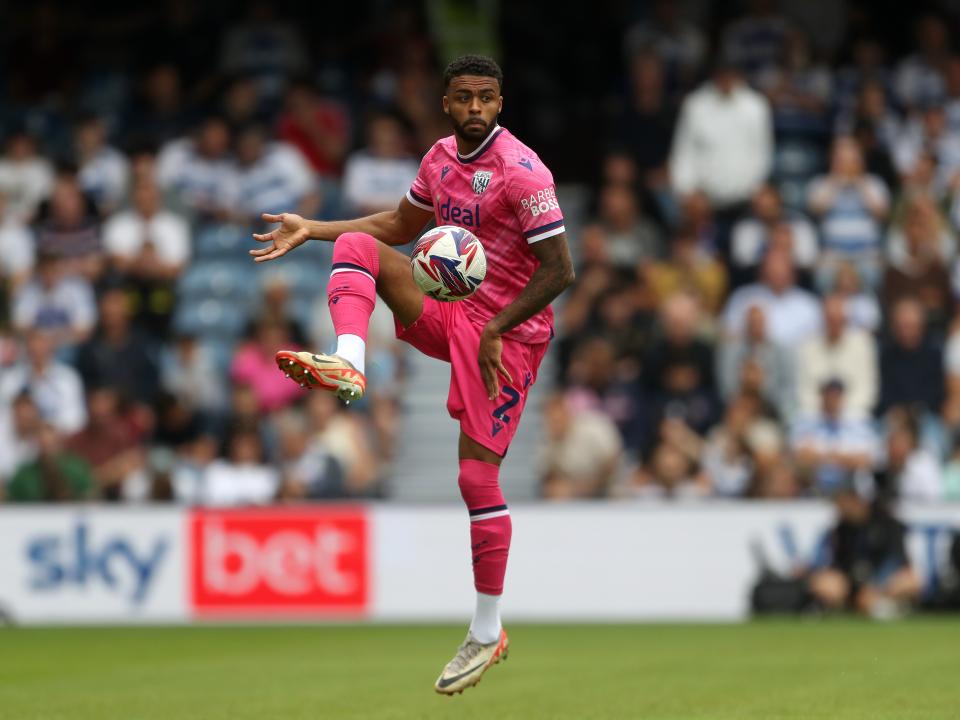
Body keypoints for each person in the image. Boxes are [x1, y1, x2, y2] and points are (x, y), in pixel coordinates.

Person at [249, 55, 574, 694]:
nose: (475, 108)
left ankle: (487, 629)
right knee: (355, 249)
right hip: (452, 309)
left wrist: (496, 327)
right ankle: (350, 361)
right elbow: (401, 227)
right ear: (446, 102)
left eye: (486, 97)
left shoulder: (524, 173)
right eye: (463, 98)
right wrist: (312, 228)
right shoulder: (438, 160)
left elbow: (560, 269)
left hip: (506, 340)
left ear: (501, 102)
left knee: (476, 477)